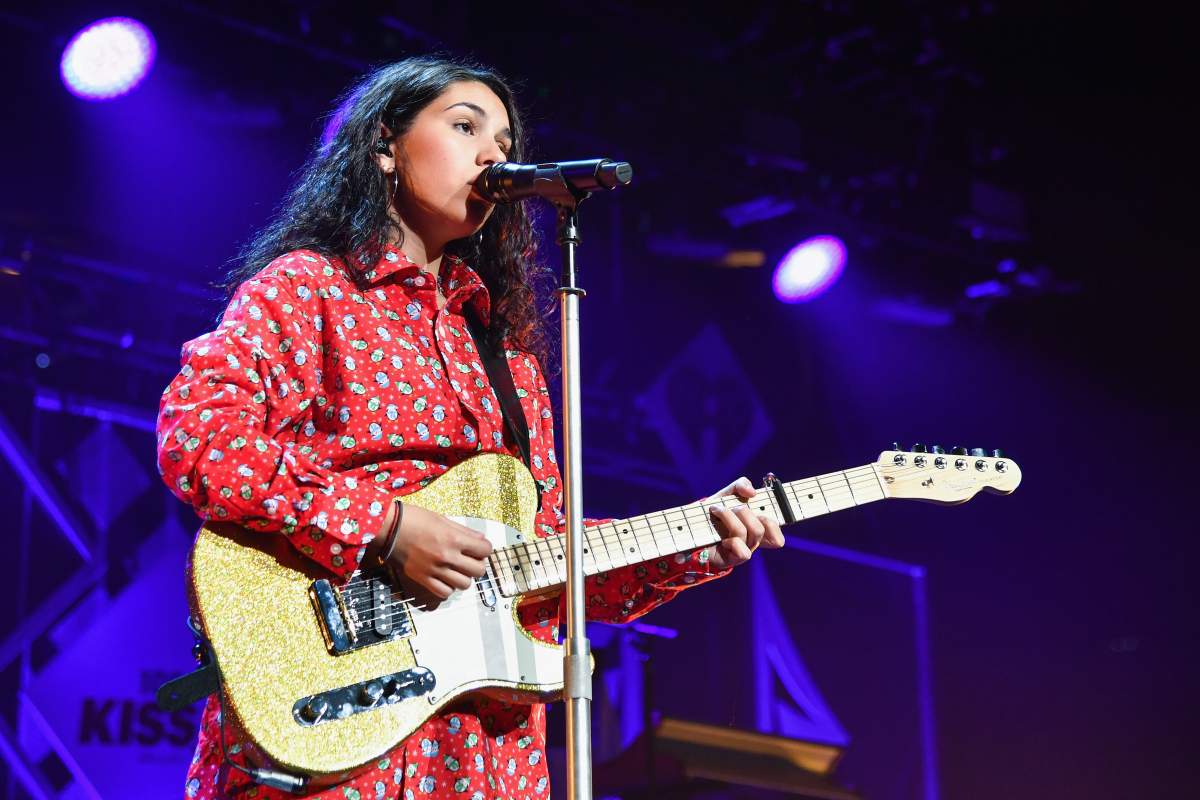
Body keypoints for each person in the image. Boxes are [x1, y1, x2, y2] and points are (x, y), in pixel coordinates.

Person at [156, 56, 784, 800]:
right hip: (339, 727)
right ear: (385, 145)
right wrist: (386, 526)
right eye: (465, 126)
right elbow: (200, 438)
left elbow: (552, 562)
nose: (495, 153)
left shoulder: (507, 357)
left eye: (505, 138)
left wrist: (699, 542)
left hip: (488, 756)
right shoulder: (308, 289)